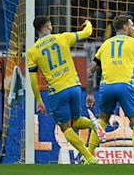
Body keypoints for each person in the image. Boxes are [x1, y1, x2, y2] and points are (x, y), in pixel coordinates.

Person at [85, 14, 134, 164]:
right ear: (125, 27)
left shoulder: (105, 44)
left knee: (102, 120)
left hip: (106, 87)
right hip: (124, 86)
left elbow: (90, 70)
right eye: (132, 25)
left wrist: (90, 93)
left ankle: (88, 155)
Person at [27, 16, 105, 165]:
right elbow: (87, 33)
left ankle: (89, 157)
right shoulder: (63, 38)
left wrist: (39, 100)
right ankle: (92, 124)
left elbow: (33, 79)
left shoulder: (33, 51)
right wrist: (88, 23)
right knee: (76, 122)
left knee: (66, 128)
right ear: (49, 26)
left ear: (37, 30)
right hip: (75, 86)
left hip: (58, 91)